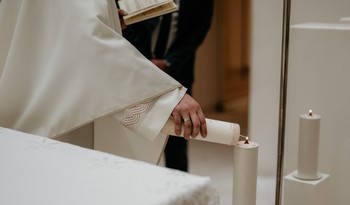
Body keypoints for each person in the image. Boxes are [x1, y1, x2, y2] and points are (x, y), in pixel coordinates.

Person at [0, 0, 207, 161]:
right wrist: (167, 95)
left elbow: (50, 26)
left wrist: (108, 22)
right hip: (55, 113)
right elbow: (88, 41)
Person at [122, 0, 214, 171]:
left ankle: (178, 192)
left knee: (177, 145)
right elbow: (127, 24)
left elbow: (199, 28)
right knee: (135, 141)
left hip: (178, 72)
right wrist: (146, 65)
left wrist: (169, 62)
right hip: (138, 71)